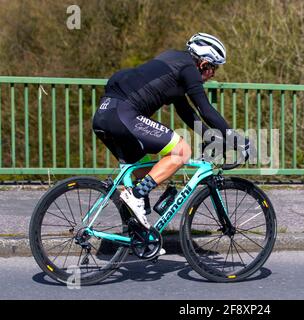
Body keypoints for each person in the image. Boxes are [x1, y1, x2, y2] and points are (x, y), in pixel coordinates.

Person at [92, 33, 250, 231]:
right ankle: (135, 196)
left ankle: (138, 233)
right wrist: (235, 138)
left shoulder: (173, 60)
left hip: (104, 115)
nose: (213, 75)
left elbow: (186, 111)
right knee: (182, 151)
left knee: (144, 171)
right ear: (203, 64)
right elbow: (205, 109)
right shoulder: (188, 69)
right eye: (214, 68)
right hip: (124, 115)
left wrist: (210, 135)